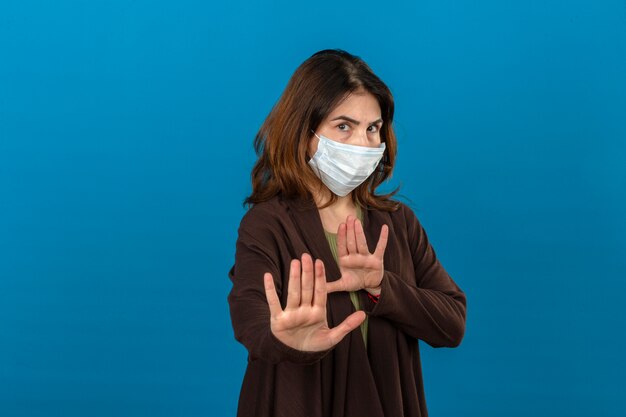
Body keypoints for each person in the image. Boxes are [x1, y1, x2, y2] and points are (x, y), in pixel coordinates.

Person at [228, 49, 466, 417]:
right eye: (344, 126)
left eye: (373, 128)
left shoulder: (398, 222)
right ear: (304, 132)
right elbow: (251, 320)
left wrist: (381, 287)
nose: (364, 143)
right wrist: (288, 339)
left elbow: (451, 324)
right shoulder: (267, 225)